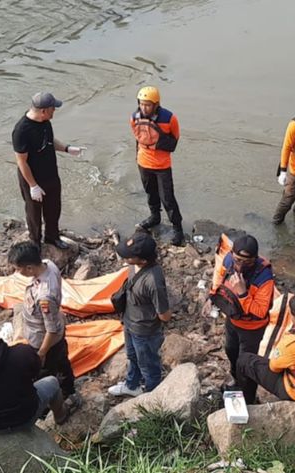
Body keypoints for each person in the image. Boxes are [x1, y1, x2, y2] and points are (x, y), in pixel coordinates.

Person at [12, 92, 85, 249]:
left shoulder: (45, 121)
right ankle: (35, 242)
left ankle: (52, 237)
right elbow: (21, 162)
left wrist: (67, 148)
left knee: (54, 208)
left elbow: (49, 142)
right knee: (34, 213)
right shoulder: (21, 130)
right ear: (44, 110)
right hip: (33, 178)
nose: (55, 111)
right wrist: (33, 186)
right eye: (53, 108)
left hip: (50, 174)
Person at [8, 241, 76, 404]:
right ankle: (68, 389)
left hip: (44, 340)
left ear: (30, 268)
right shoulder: (48, 265)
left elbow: (51, 330)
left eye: (18, 269)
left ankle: (52, 402)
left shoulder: (45, 296)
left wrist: (41, 353)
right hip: (51, 330)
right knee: (62, 362)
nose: (17, 272)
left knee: (45, 372)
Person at [210, 235, 275, 403]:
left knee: (245, 363)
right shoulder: (228, 261)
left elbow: (260, 311)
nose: (240, 266)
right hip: (233, 319)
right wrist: (212, 297)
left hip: (252, 329)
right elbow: (219, 278)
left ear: (255, 259)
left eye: (247, 262)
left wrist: (243, 293)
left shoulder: (264, 278)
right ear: (232, 254)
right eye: (238, 260)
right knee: (231, 351)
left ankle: (248, 398)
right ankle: (236, 381)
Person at [108, 232, 171, 396]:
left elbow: (165, 315)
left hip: (145, 332)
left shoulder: (153, 280)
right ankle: (132, 384)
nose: (125, 259)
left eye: (129, 256)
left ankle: (152, 393)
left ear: (142, 260)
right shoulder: (134, 266)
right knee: (132, 357)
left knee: (148, 364)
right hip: (129, 323)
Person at [131, 86, 184, 246]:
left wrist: (159, 143)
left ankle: (178, 228)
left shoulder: (169, 118)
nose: (144, 107)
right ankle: (155, 217)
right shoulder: (134, 117)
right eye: (141, 104)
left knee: (167, 198)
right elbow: (137, 137)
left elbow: (174, 140)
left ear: (156, 104)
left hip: (162, 166)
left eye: (147, 104)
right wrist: (137, 157)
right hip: (143, 162)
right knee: (150, 193)